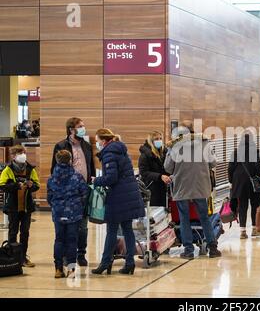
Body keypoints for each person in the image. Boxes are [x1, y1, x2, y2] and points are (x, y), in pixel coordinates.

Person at [91, 129, 145, 275]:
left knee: (111, 231)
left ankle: (105, 262)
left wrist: (96, 180)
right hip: (128, 195)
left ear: (103, 140)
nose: (96, 143)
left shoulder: (109, 154)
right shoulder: (120, 150)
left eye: (97, 140)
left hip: (118, 197)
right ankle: (129, 263)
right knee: (127, 230)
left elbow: (111, 178)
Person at [164, 122, 221, 259]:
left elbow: (168, 168)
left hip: (182, 186)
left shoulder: (175, 146)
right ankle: (212, 248)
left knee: (184, 219)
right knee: (204, 218)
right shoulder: (204, 143)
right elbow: (213, 162)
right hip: (201, 186)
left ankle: (188, 250)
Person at [51, 117, 95, 267]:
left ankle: (81, 253)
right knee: (65, 228)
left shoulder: (87, 146)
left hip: (83, 191)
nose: (83, 128)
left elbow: (91, 167)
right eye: (80, 126)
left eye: (83, 126)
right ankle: (64, 257)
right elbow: (54, 170)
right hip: (66, 194)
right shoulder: (60, 145)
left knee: (83, 226)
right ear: (71, 129)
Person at [47, 150, 89, 279]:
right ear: (70, 160)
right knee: (72, 241)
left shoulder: (51, 178)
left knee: (59, 240)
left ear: (57, 160)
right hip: (74, 213)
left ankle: (58, 269)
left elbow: (49, 197)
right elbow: (85, 193)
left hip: (58, 213)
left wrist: (56, 206)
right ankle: (71, 270)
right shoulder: (77, 176)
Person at [0, 145, 40, 267]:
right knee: (13, 232)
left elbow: (37, 185)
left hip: (26, 207)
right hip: (13, 207)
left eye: (24, 152)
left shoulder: (30, 169)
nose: (23, 155)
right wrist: (16, 186)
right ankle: (12, 257)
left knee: (25, 232)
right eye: (20, 153)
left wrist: (30, 185)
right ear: (13, 156)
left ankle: (23, 257)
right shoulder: (8, 170)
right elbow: (2, 185)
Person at [228, 132, 260, 238]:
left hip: (239, 181)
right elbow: (259, 165)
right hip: (253, 181)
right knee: (255, 205)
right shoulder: (255, 151)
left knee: (242, 205)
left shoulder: (236, 152)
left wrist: (231, 182)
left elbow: (230, 168)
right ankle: (254, 229)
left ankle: (242, 231)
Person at [138, 131, 171, 206]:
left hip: (163, 187)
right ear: (151, 141)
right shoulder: (145, 155)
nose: (159, 141)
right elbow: (143, 172)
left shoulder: (164, 152)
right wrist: (160, 176)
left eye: (160, 138)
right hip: (151, 188)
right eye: (156, 139)